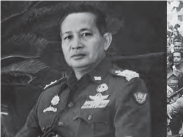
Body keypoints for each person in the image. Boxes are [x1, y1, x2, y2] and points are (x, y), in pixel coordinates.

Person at [16, 5, 151, 137]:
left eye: (86, 34)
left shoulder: (125, 88)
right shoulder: (48, 95)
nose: (76, 45)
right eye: (68, 37)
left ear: (106, 41)